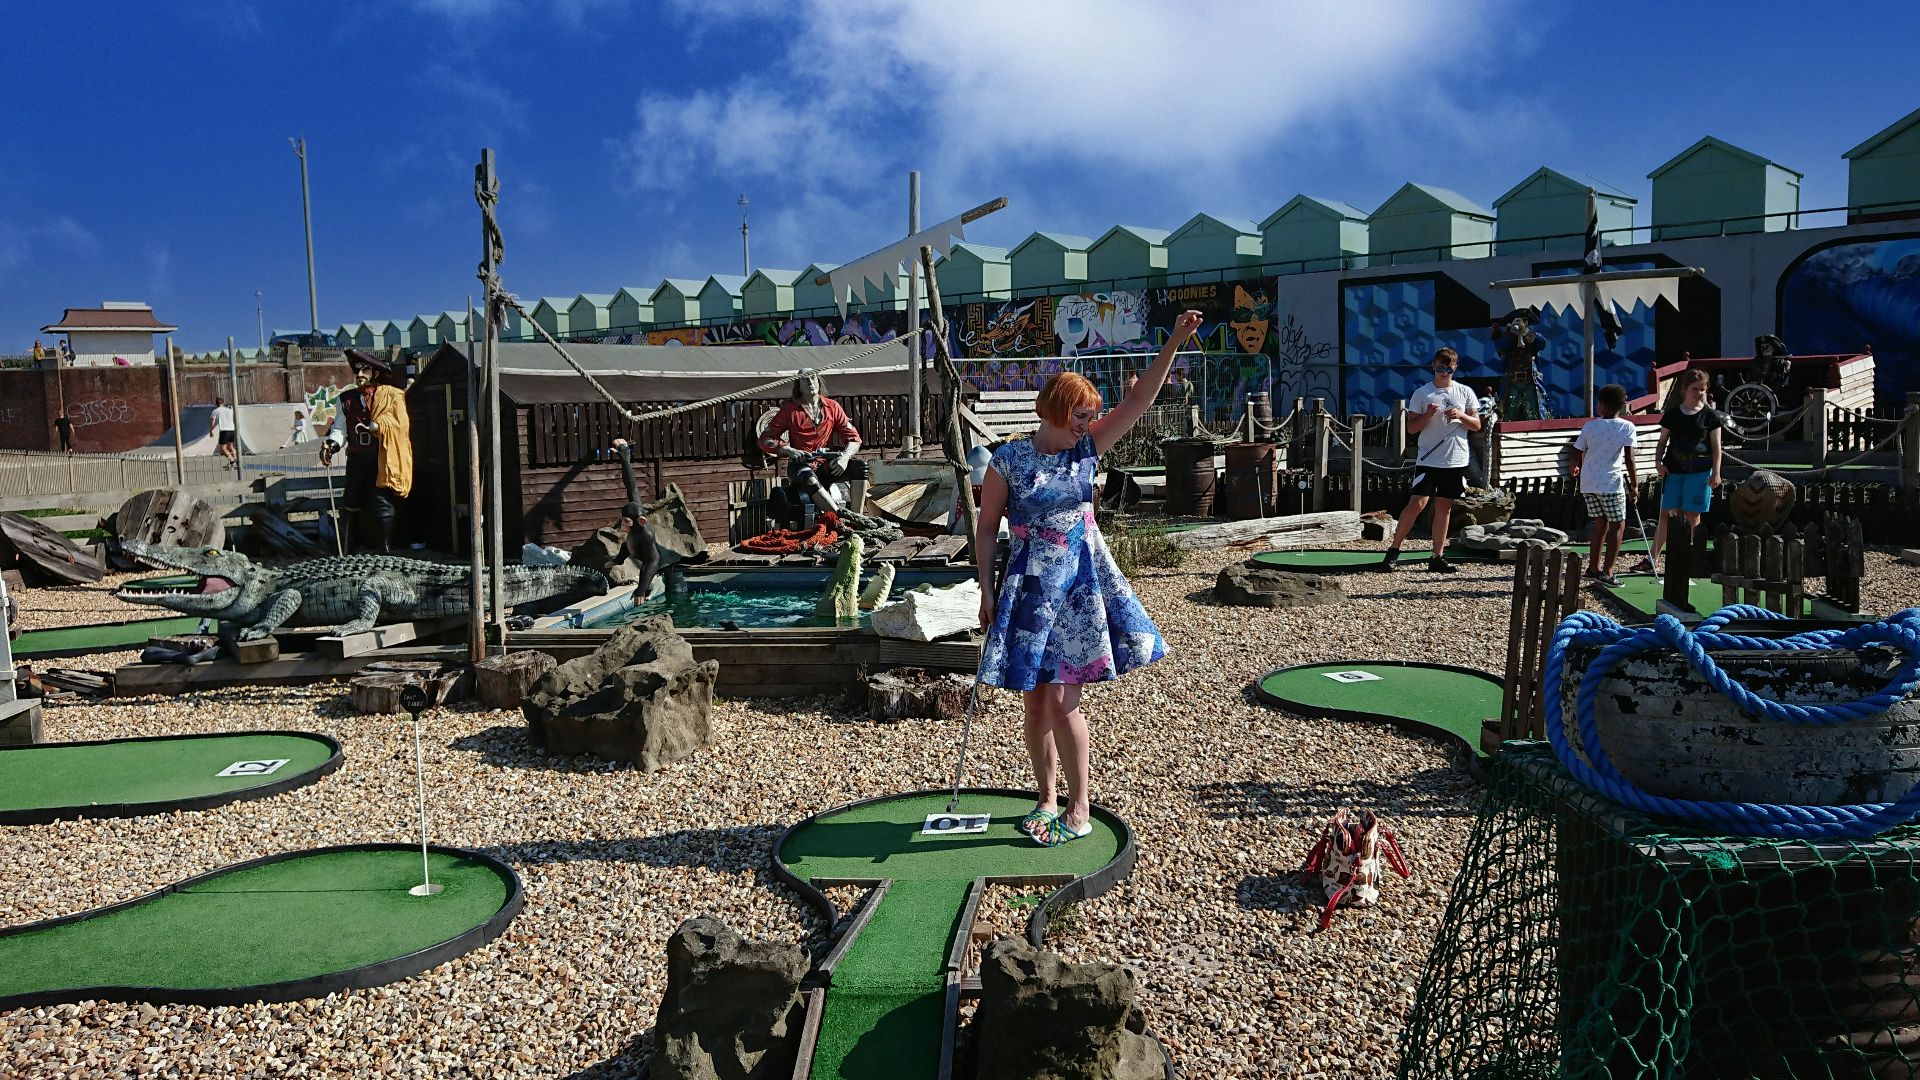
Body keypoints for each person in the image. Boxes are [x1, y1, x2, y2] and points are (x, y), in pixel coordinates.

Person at [975, 308, 1204, 848]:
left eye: (1089, 416)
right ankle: (1046, 797)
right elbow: (986, 529)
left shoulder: (1087, 450)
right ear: (1055, 411)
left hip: (1079, 587)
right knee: (1035, 702)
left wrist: (1174, 340)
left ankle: (1079, 806)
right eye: (1079, 415)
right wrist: (985, 591)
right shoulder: (1007, 461)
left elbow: (1138, 401)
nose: (1086, 423)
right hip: (1031, 586)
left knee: (1063, 701)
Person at [1381, 348, 1481, 573]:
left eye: (1449, 369)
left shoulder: (1465, 392)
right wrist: (1428, 414)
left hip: (1455, 459)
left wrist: (1460, 415)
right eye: (1441, 368)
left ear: (1455, 368)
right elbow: (1411, 428)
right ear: (1434, 366)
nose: (1444, 372)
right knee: (1417, 503)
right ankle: (1393, 551)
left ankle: (1437, 556)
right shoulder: (1422, 393)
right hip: (1428, 459)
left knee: (1444, 507)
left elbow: (1476, 425)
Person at [1630, 368, 1723, 576]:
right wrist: (1657, 462)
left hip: (1699, 471)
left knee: (1693, 514)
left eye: (1702, 389)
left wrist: (1716, 472)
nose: (1699, 393)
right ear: (1685, 389)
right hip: (1674, 470)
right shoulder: (1672, 414)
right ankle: (1652, 558)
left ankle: (1691, 558)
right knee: (1667, 513)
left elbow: (1716, 447)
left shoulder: (1711, 417)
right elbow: (1662, 442)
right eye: (1695, 389)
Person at [322, 350, 413, 554]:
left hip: (380, 458)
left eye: (365, 370)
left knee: (382, 502)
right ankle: (350, 547)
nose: (360, 375)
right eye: (357, 371)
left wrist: (380, 425)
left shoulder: (390, 395)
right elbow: (340, 428)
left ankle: (385, 548)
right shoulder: (346, 399)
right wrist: (332, 445)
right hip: (356, 458)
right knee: (351, 501)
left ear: (375, 373)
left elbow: (400, 423)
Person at [758, 370, 868, 527]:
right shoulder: (789, 409)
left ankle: (859, 521)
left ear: (818, 381)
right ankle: (841, 521)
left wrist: (845, 457)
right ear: (798, 386)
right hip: (800, 467)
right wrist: (789, 450)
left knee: (860, 467)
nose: (810, 382)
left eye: (813, 378)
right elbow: (765, 439)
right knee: (809, 477)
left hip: (826, 465)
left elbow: (854, 439)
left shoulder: (833, 407)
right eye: (805, 380)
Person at [1570, 384, 1638, 586]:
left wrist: (1574, 467)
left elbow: (1577, 450)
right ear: (1622, 404)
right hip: (1610, 483)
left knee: (1600, 524)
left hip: (1588, 482)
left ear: (1600, 405)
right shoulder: (1627, 427)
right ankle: (1607, 572)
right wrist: (1635, 485)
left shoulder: (1590, 426)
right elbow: (1629, 458)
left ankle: (1593, 568)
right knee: (1617, 525)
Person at [609, 437, 663, 600]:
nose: (622, 524)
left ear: (640, 521)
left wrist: (641, 589)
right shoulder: (636, 511)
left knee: (647, 572)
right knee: (625, 546)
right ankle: (619, 560)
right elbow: (631, 485)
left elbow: (651, 563)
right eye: (623, 520)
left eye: (626, 521)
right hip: (632, 548)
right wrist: (624, 454)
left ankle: (647, 589)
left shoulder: (646, 535)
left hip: (650, 560)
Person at [210, 397, 238, 466]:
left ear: (216, 404)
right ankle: (236, 460)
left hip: (224, 430)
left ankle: (232, 460)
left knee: (222, 448)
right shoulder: (230, 410)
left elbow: (213, 422)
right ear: (223, 403)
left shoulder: (215, 411)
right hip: (232, 430)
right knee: (231, 447)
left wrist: (211, 431)